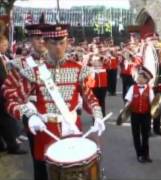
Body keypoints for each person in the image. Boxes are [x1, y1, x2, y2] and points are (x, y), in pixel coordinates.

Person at [2, 24, 105, 180]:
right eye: (53, 43)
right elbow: (11, 99)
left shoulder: (77, 68)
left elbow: (89, 97)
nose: (58, 48)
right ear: (46, 43)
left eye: (62, 43)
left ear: (68, 43)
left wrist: (97, 115)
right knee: (43, 173)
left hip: (72, 131)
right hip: (45, 131)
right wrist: (29, 115)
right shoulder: (34, 72)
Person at [0, 35, 27, 155]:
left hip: (4, 91)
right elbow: (3, 77)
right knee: (7, 120)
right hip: (3, 93)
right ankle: (13, 146)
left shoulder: (4, 57)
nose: (6, 47)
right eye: (4, 45)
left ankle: (4, 144)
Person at [125, 66, 154, 163]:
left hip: (146, 115)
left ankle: (146, 154)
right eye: (138, 77)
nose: (139, 79)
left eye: (142, 77)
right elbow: (128, 101)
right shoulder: (132, 88)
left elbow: (153, 103)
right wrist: (125, 109)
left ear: (146, 80)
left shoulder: (149, 89)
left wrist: (154, 111)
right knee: (136, 135)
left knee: (145, 135)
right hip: (135, 115)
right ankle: (139, 154)